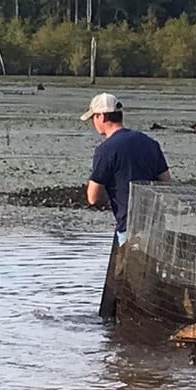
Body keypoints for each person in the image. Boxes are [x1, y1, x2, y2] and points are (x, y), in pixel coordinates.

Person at [82, 92, 170, 319]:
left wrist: (106, 195)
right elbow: (167, 183)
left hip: (129, 226)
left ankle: (135, 329)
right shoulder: (150, 143)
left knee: (131, 286)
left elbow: (92, 197)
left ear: (102, 116)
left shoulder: (106, 149)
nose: (93, 123)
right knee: (152, 278)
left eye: (93, 117)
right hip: (156, 223)